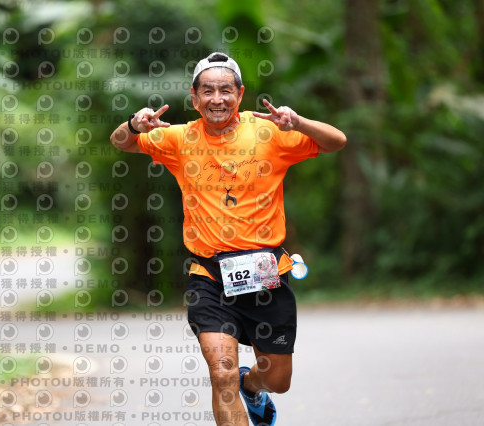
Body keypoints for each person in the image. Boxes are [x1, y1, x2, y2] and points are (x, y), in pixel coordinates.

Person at [110, 52, 346, 426]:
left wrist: (298, 122)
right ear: (194, 97)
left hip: (265, 275)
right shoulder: (179, 138)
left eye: (225, 90)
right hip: (209, 277)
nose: (216, 99)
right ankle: (235, 384)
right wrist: (133, 125)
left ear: (240, 94)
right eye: (207, 91)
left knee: (278, 380)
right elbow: (121, 141)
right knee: (221, 374)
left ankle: (250, 386)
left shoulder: (269, 131)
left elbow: (337, 141)